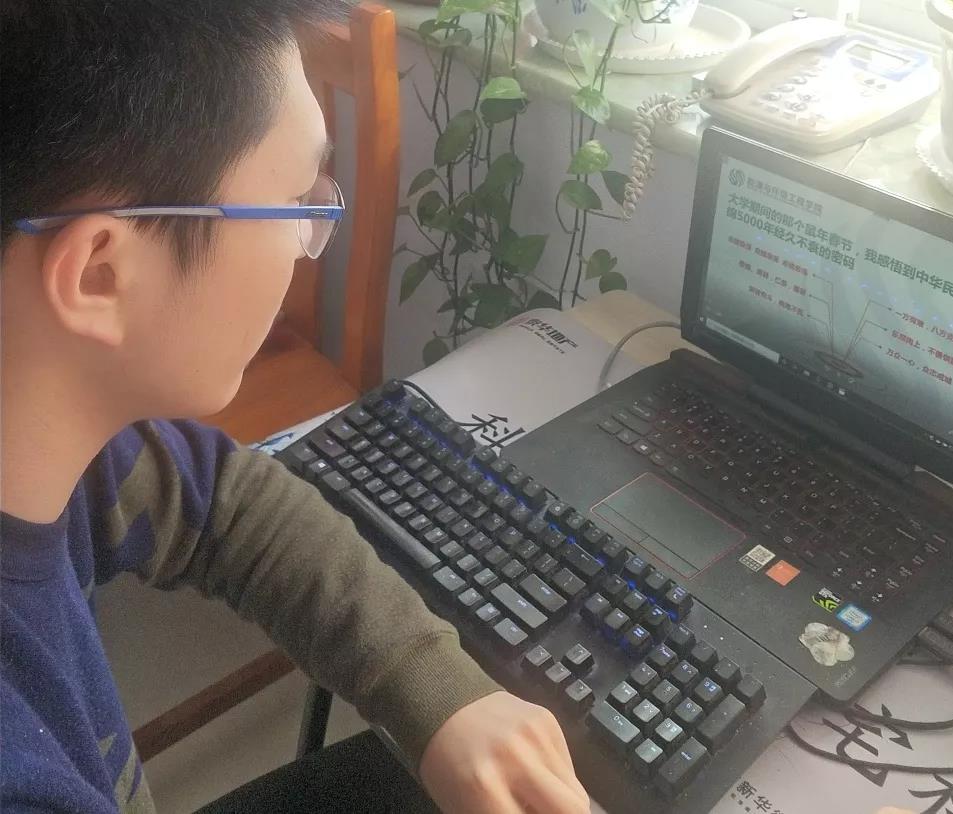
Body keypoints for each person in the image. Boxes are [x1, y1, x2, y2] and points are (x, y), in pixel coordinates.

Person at [0, 2, 590, 813]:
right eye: (292, 203)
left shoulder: (55, 448)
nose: (309, 246)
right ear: (99, 274)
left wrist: (439, 689)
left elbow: (224, 501)